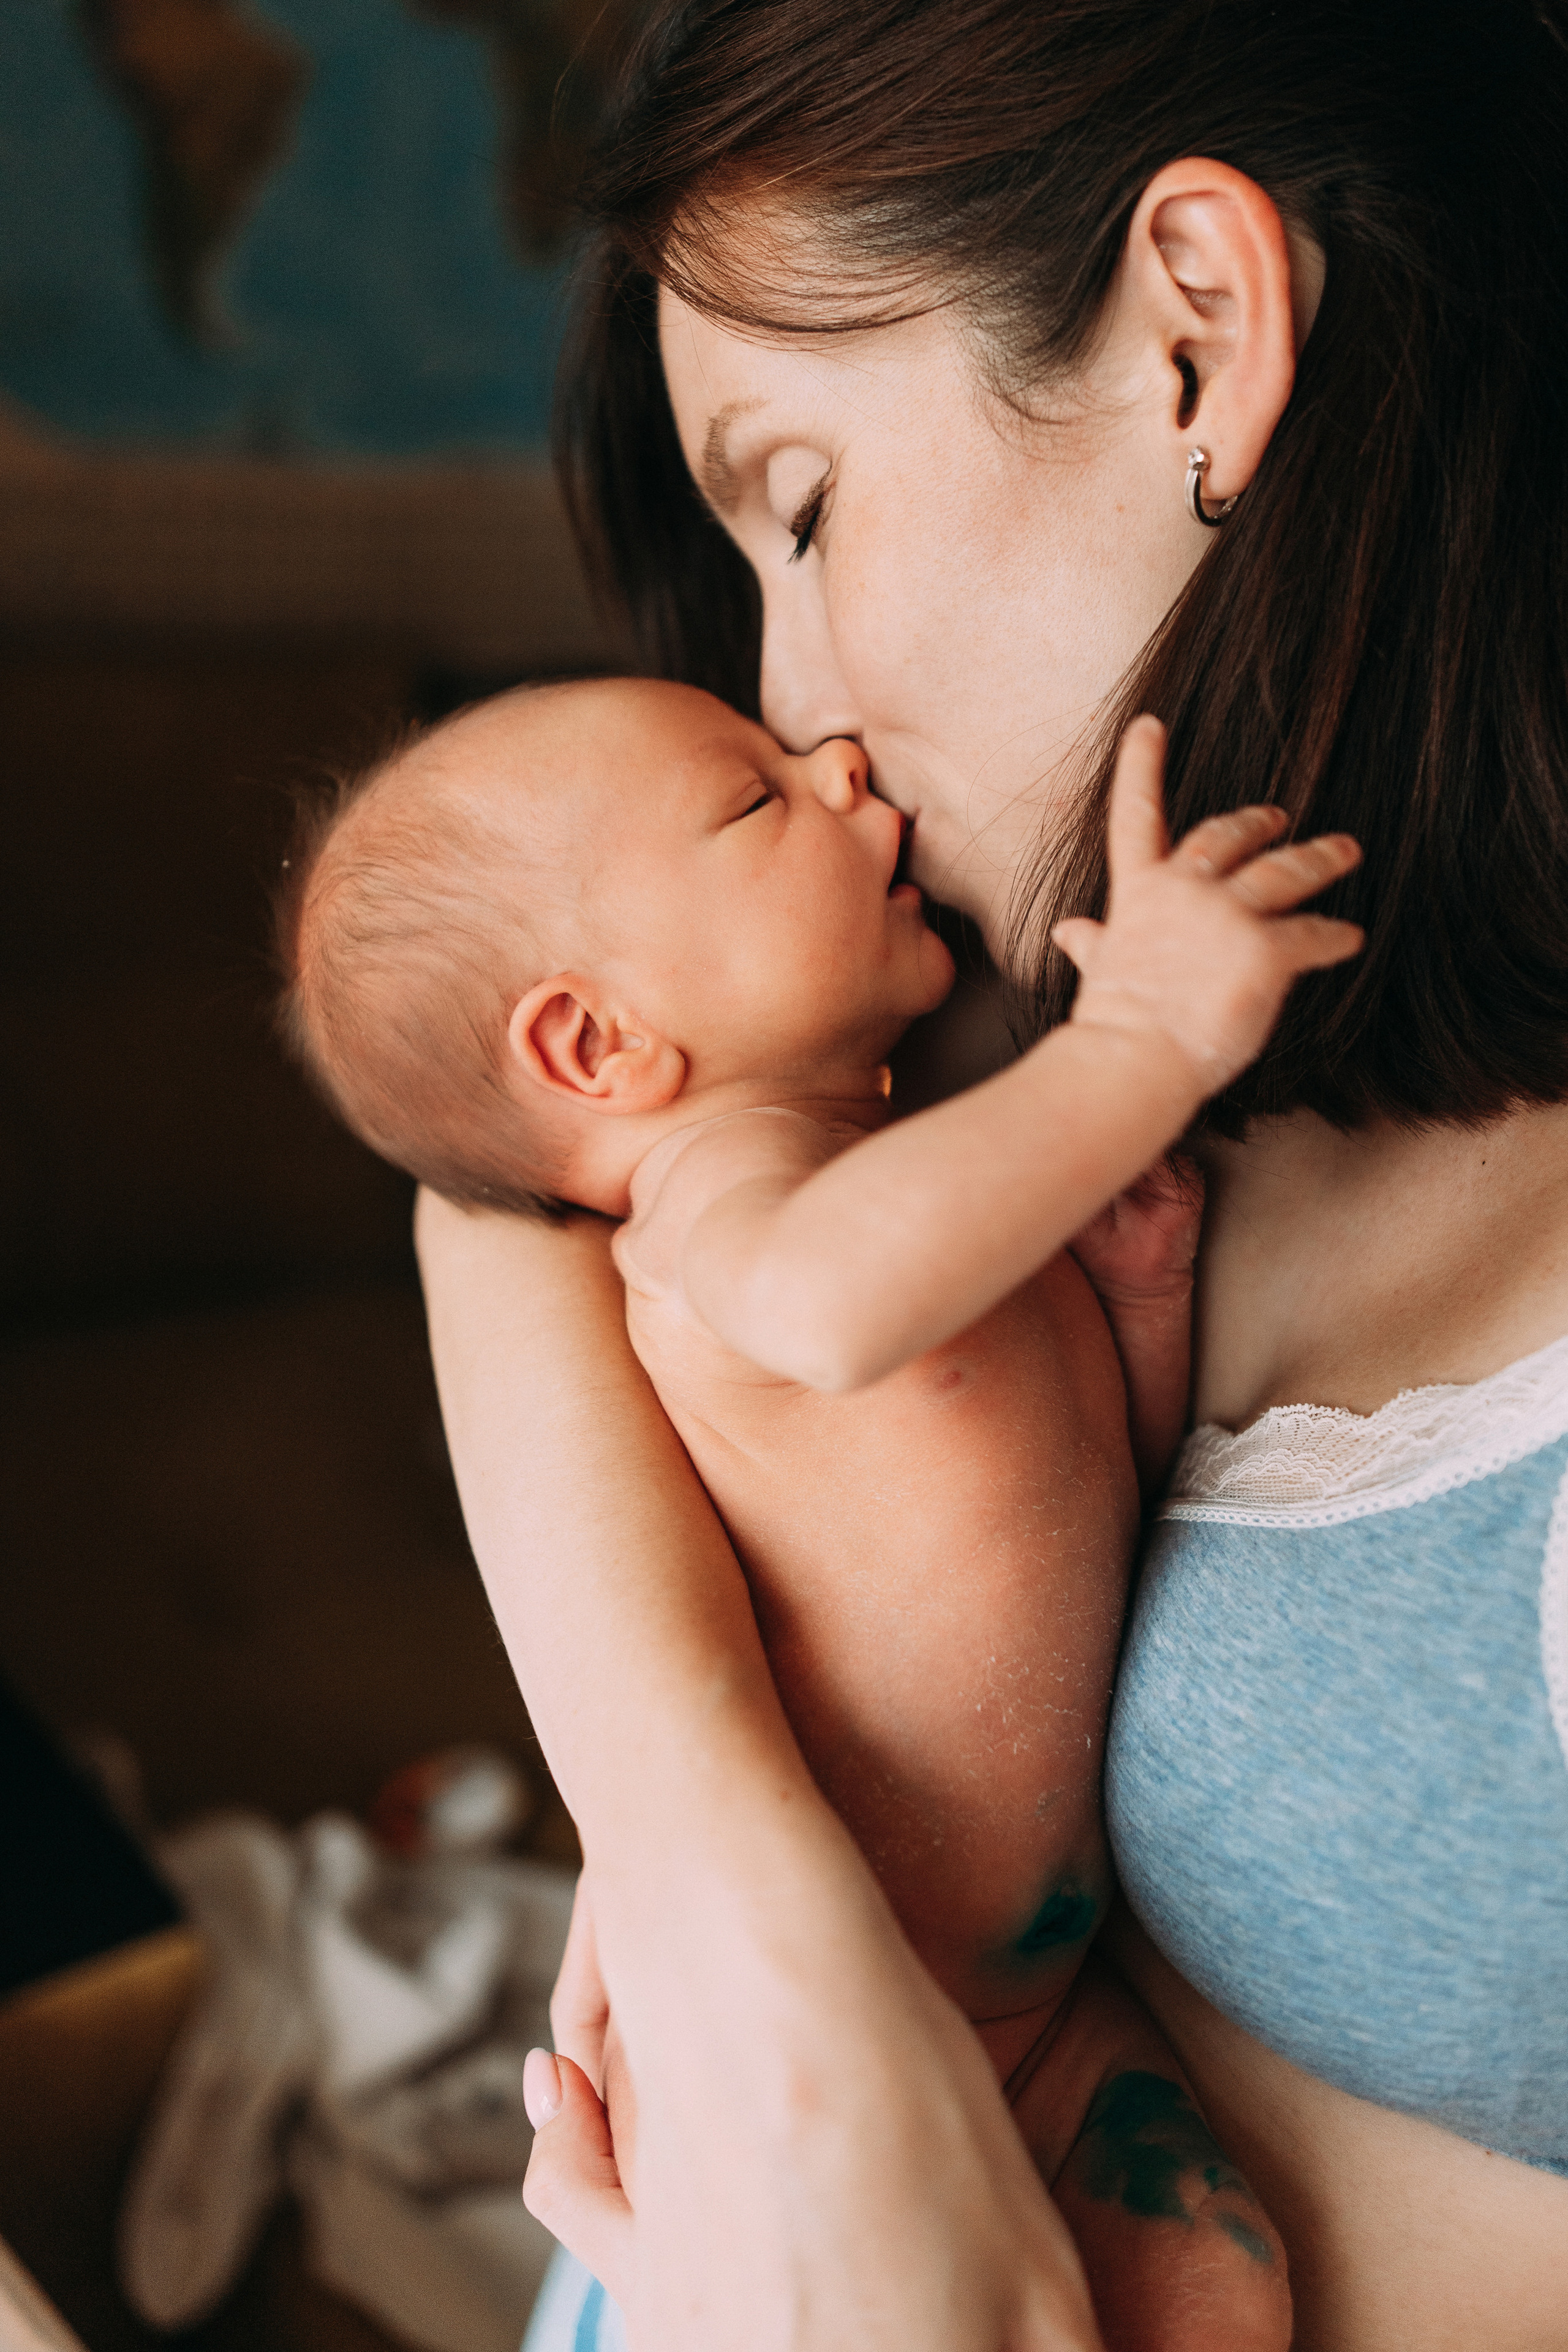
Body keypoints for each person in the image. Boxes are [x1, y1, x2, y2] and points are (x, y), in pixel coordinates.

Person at [411, 2, 1568, 2345]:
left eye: (804, 504)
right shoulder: (1027, 1043)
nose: (792, 704)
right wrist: (759, 1944)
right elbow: (509, 1177)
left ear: (1194, 341)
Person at [280, 671, 1365, 2343]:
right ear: (598, 1042)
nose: (843, 758)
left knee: (1217, 2282)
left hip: (1030, 2007)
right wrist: (1142, 1041)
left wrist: (1139, 1313)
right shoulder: (727, 1220)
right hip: (801, 2077)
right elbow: (829, 1307)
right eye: (756, 798)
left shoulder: (907, 1178)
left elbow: (1067, 1506)